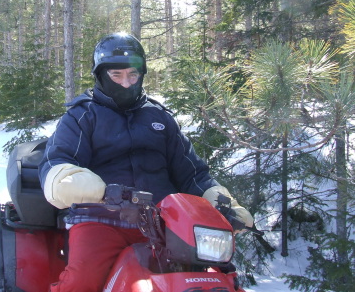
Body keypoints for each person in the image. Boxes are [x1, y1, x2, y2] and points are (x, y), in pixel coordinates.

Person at [38, 32, 253, 292]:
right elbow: (57, 161)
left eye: (132, 75)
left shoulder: (160, 118)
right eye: (116, 76)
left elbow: (193, 174)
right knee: (82, 281)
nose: (126, 83)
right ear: (100, 75)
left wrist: (223, 203)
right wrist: (98, 191)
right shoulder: (82, 116)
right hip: (101, 219)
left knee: (216, 279)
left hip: (166, 224)